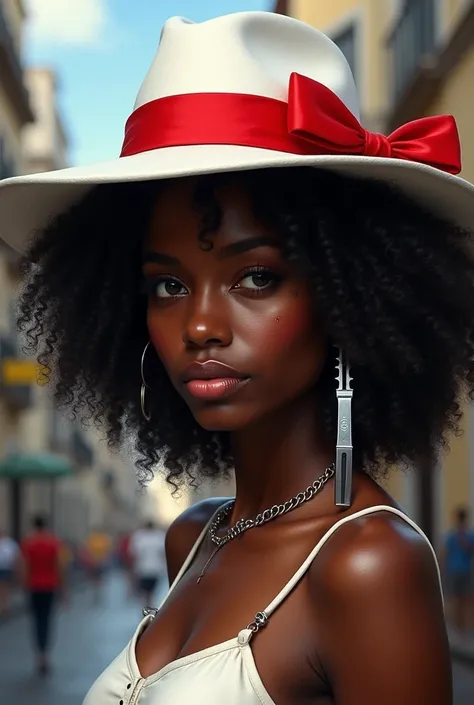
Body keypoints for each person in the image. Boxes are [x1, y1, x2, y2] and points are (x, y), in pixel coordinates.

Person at [1, 9, 474, 705]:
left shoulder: (367, 565)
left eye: (256, 276)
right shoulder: (192, 536)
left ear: (352, 296)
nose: (198, 323)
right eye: (167, 284)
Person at [20, 516, 65, 676]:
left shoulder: (29, 543)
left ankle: (39, 656)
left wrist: (24, 585)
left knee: (36, 621)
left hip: (34, 586)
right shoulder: (53, 542)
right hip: (50, 586)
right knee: (47, 621)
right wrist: (63, 590)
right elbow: (58, 567)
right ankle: (46, 657)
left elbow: (24, 566)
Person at [443, 507, 474, 634]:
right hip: (459, 571)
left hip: (459, 570)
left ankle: (462, 626)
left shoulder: (466, 535)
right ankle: (459, 626)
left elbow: (444, 553)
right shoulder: (454, 535)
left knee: (462, 599)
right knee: (459, 599)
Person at [130, 521, 166, 607]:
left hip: (143, 568)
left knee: (145, 592)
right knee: (151, 592)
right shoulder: (159, 536)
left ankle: (146, 608)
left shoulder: (139, 536)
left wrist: (133, 568)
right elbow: (163, 553)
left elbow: (134, 553)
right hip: (155, 568)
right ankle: (149, 607)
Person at [82, 528, 112, 603]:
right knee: (97, 577)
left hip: (96, 561)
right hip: (97, 561)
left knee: (96, 577)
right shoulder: (101, 539)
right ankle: (97, 590)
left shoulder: (93, 539)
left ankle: (96, 590)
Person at [0, 529, 20, 617]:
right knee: (3, 588)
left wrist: (15, 568)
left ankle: (4, 606)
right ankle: (4, 605)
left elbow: (15, 556)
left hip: (6, 568)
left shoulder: (9, 543)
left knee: (4, 587)